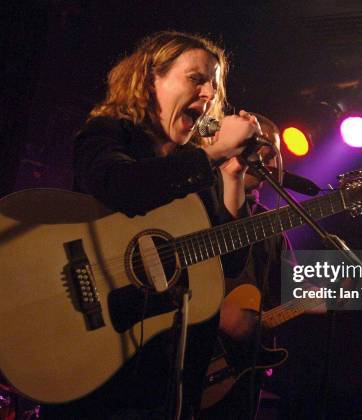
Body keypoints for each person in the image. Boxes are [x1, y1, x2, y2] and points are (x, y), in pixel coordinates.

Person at [41, 31, 261, 419]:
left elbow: (224, 264)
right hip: (98, 366)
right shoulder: (108, 134)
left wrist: (232, 177)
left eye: (214, 83)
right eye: (196, 78)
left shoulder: (199, 167)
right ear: (149, 80)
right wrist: (214, 153)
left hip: (165, 381)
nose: (209, 94)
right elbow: (123, 188)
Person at [201, 115, 293, 419]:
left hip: (240, 372)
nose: (266, 156)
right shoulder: (198, 201)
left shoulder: (273, 228)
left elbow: (285, 296)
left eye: (271, 151)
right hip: (189, 356)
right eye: (258, 144)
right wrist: (218, 314)